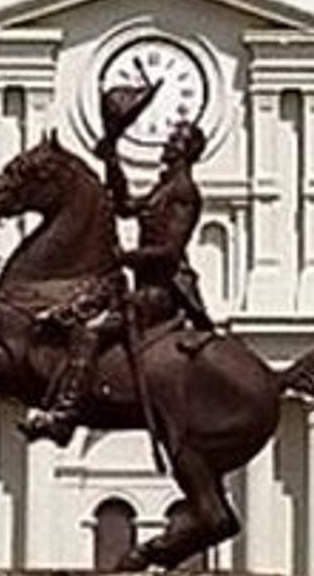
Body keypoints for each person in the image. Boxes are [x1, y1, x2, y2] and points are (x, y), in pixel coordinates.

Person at [23, 80, 215, 447]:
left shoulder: (184, 193)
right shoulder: (165, 186)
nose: (167, 142)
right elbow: (125, 204)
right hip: (140, 287)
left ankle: (63, 415)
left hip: (160, 294)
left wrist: (123, 257)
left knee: (90, 329)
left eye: (175, 139)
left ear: (186, 150)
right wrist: (111, 154)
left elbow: (170, 253)